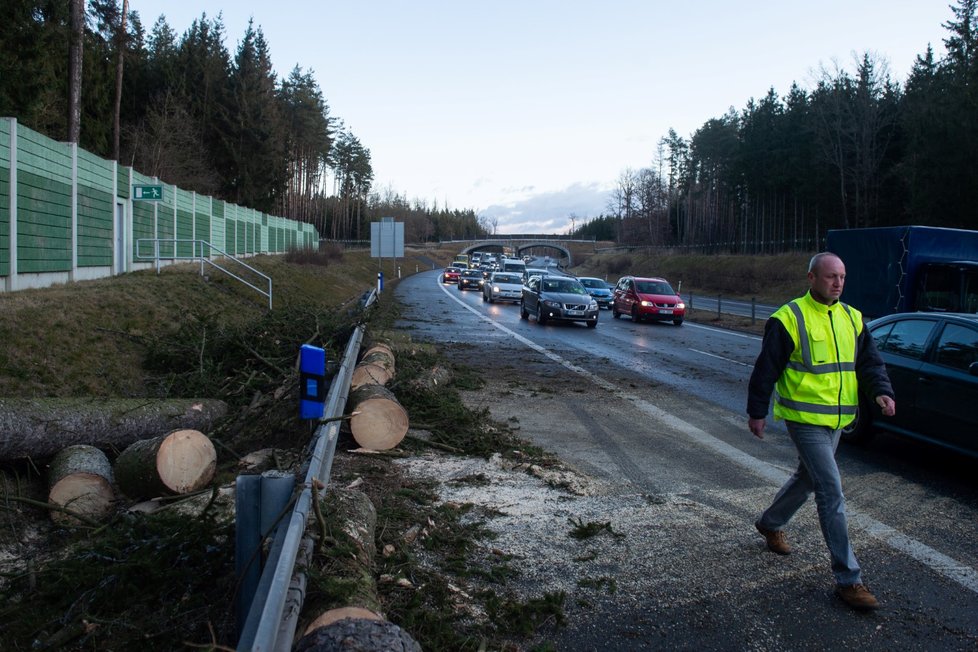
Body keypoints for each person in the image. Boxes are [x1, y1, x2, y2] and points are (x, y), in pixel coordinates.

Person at [746, 252, 896, 611]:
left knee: (808, 478)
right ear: (811, 278)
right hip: (804, 418)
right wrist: (757, 411)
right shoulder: (789, 317)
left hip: (838, 419)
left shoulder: (852, 317)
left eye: (842, 276)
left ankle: (770, 522)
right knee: (830, 488)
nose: (838, 283)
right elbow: (766, 368)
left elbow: (869, 362)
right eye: (831, 276)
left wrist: (882, 392)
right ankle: (849, 580)